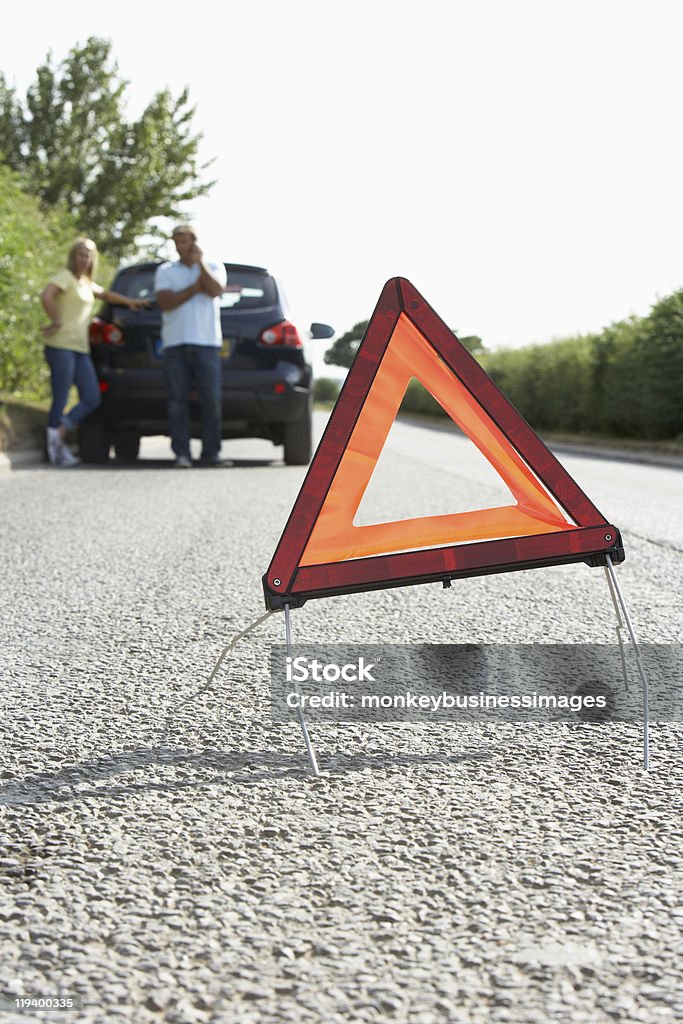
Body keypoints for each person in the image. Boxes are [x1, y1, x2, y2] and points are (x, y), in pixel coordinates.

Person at [41, 237, 148, 467]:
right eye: (81, 254)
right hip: (61, 346)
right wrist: (56, 319)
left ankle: (61, 429)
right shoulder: (65, 278)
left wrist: (131, 302)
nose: (85, 259)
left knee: (91, 397)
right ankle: (54, 447)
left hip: (80, 349)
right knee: (60, 397)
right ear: (73, 256)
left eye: (88, 255)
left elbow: (107, 295)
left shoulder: (86, 283)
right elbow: (47, 295)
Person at [154, 225, 227, 467]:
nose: (179, 246)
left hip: (207, 343)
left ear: (194, 242)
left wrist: (201, 264)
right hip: (175, 343)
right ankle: (181, 453)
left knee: (211, 400)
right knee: (177, 399)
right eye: (176, 241)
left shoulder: (214, 266)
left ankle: (211, 453)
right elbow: (165, 301)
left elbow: (216, 289)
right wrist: (195, 288)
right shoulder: (165, 270)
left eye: (184, 241)